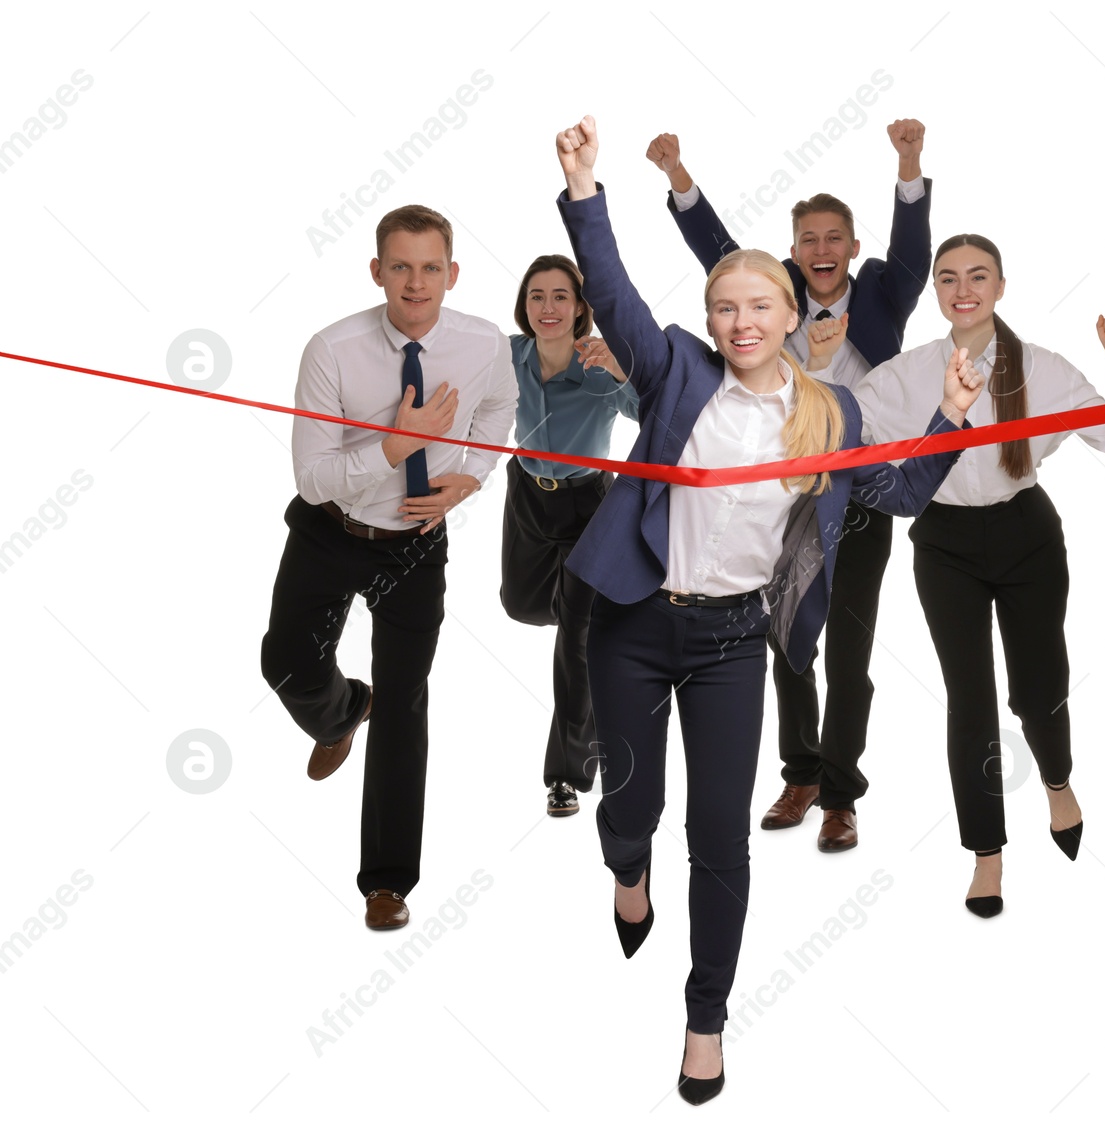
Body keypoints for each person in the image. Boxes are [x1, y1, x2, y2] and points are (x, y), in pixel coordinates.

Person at [553, 115, 980, 1103]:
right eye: (722, 305)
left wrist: (950, 419)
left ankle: (705, 1018)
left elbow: (903, 494)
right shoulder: (673, 373)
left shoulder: (827, 418)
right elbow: (612, 295)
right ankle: (626, 869)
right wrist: (585, 190)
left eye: (758, 304)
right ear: (709, 322)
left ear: (791, 315)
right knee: (632, 806)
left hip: (731, 640)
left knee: (718, 835)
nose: (740, 319)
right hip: (632, 621)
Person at [842, 233, 1105, 918]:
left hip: (1026, 533)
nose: (962, 289)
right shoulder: (906, 374)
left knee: (1039, 688)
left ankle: (1059, 781)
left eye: (978, 276)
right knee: (970, 700)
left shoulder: (1043, 369)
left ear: (1001, 287)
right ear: (936, 292)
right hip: (945, 542)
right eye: (948, 277)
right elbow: (843, 428)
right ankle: (987, 853)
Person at [644, 120, 931, 852]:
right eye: (810, 238)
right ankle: (800, 772)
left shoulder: (882, 296)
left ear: (852, 248)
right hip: (782, 497)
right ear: (794, 248)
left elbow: (914, 253)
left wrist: (907, 164)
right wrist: (680, 175)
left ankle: (840, 794)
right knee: (786, 637)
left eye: (835, 237)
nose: (823, 250)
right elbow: (719, 254)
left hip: (862, 496)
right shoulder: (774, 301)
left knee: (849, 655)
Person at [259, 204, 517, 930]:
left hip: (414, 540)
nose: (415, 282)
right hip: (331, 530)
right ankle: (342, 711)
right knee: (284, 660)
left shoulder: (483, 342)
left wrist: (470, 473)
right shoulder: (332, 350)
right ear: (377, 272)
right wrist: (396, 447)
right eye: (399, 266)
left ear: (452, 274)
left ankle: (388, 882)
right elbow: (312, 478)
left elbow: (502, 406)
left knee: (407, 700)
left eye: (430, 267)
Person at [498, 253, 639, 817]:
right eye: (537, 296)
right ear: (524, 306)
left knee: (576, 641)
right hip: (527, 495)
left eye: (560, 297)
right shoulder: (508, 355)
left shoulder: (599, 366)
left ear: (580, 308)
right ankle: (597, 617)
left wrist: (625, 370)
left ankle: (567, 775)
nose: (548, 307)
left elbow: (648, 412)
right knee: (521, 605)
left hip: (587, 504)